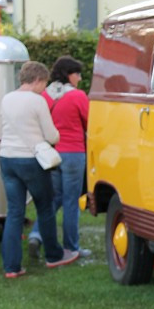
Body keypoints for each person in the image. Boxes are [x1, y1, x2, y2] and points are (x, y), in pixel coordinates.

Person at [0, 61, 80, 278]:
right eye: (43, 83)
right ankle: (53, 255)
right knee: (45, 207)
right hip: (31, 159)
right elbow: (52, 135)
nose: (44, 88)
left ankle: (11, 266)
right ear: (37, 80)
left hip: (7, 158)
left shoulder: (6, 98)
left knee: (14, 212)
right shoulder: (37, 101)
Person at [28, 55, 90, 259]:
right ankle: (72, 247)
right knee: (71, 201)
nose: (79, 78)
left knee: (52, 198)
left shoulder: (45, 95)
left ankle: (37, 234)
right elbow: (89, 122)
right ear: (68, 75)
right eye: (77, 74)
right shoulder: (78, 96)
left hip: (51, 153)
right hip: (74, 153)